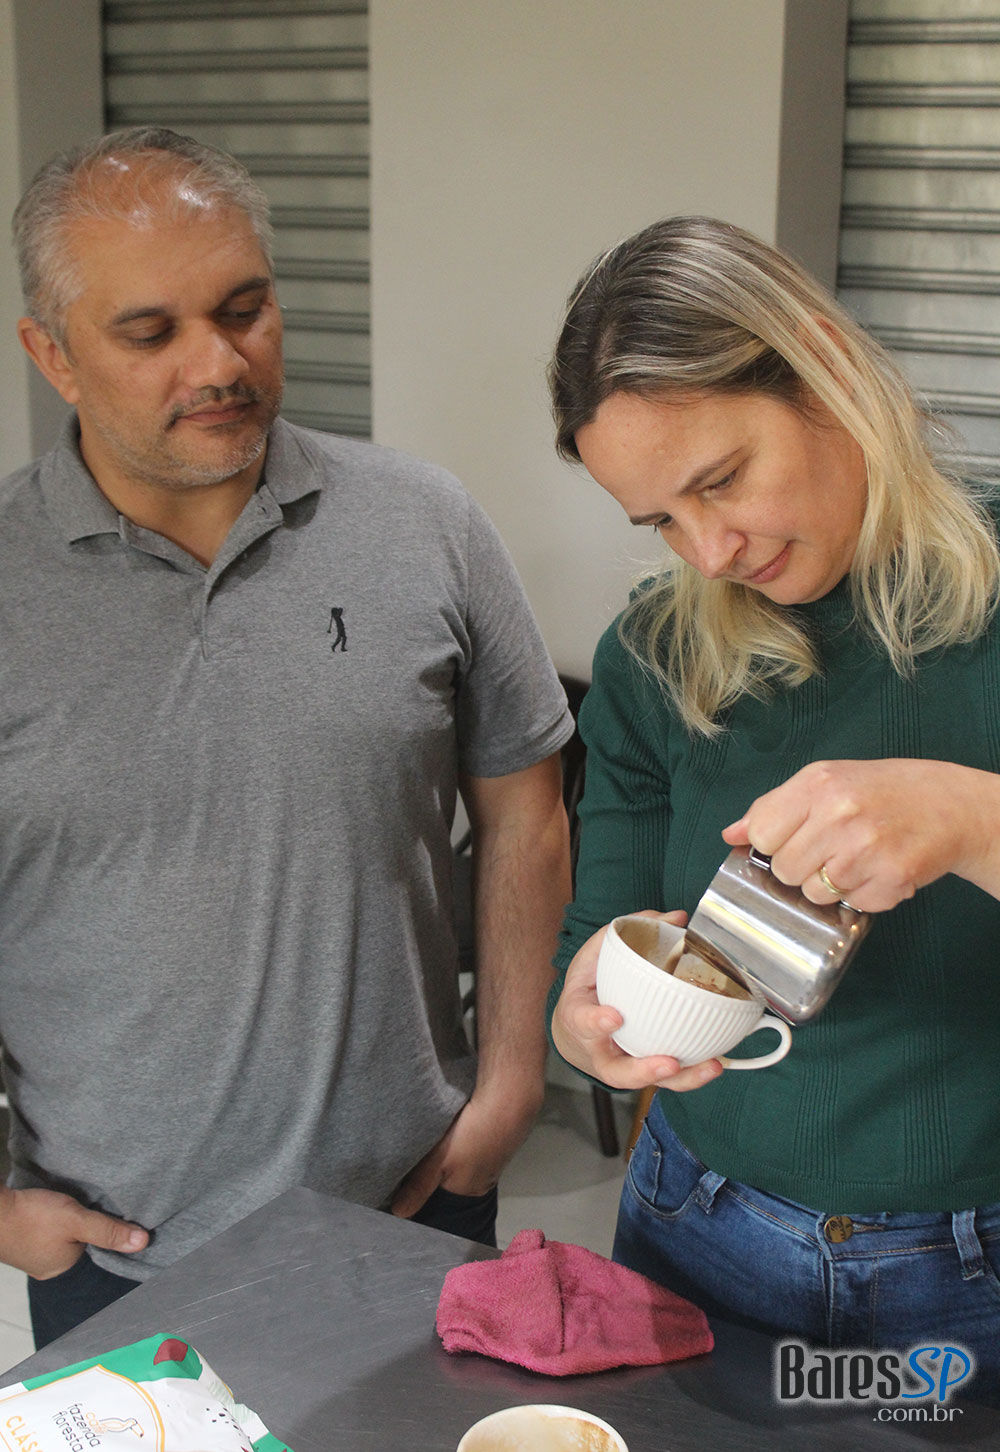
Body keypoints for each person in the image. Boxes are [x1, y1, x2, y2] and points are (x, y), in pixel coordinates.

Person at [3, 127, 573, 1347]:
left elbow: (525, 810)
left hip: (418, 1208)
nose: (219, 363)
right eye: (149, 333)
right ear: (52, 355)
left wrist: (511, 1080)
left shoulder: (425, 522)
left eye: (243, 309)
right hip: (117, 1260)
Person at [545, 215, 1000, 1393]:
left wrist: (971, 819)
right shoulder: (653, 656)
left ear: (822, 366)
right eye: (661, 519)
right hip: (693, 1224)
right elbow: (596, 930)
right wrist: (582, 1018)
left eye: (720, 481)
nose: (707, 551)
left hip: (975, 1267)